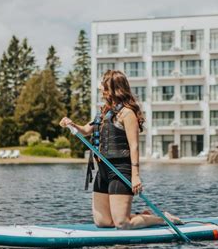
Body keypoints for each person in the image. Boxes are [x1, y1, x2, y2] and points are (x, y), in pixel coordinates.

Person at [59, 69, 183, 229]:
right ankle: (144, 216)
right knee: (102, 222)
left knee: (122, 223)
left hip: (120, 170)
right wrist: (71, 124)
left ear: (114, 89)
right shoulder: (104, 113)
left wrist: (135, 176)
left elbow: (134, 146)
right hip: (103, 169)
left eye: (104, 88)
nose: (102, 92)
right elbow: (85, 130)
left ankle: (162, 218)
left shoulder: (127, 113)